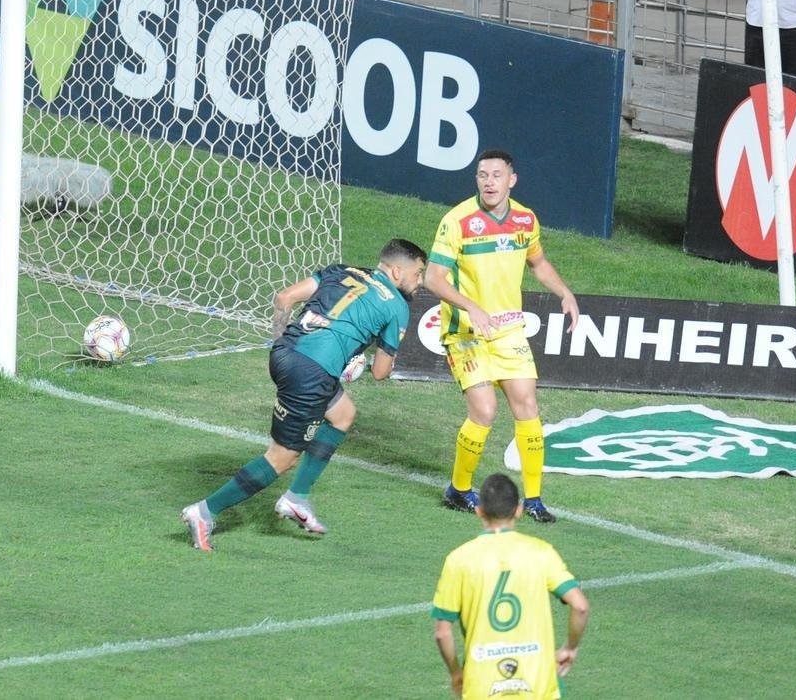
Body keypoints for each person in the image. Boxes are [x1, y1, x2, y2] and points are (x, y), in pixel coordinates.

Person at [181, 239, 427, 552]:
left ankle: (297, 497)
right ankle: (204, 513)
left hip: (285, 353)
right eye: (418, 274)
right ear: (396, 271)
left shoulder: (343, 271)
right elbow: (381, 371)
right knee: (282, 457)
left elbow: (284, 298)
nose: (420, 282)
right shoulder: (396, 306)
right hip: (311, 374)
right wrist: (357, 366)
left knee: (342, 415)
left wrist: (280, 345)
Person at [424, 149, 578, 523]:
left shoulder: (525, 220)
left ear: (512, 180)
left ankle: (536, 499)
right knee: (485, 411)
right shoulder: (457, 221)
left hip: (508, 329)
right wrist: (470, 307)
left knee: (527, 406)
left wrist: (565, 293)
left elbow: (538, 263)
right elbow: (432, 278)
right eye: (482, 175)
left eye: (496, 175)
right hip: (466, 333)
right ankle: (458, 490)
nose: (489, 182)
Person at [432, 473, 589, 699]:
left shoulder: (459, 559)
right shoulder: (541, 552)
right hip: (539, 686)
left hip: (481, 687)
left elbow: (442, 633)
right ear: (518, 510)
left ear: (479, 511)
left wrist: (456, 674)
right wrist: (570, 647)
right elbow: (580, 606)